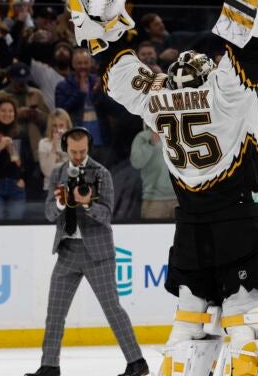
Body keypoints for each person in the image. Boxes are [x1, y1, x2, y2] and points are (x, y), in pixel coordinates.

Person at [70, 0, 258, 373]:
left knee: (188, 322)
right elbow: (244, 57)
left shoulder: (157, 98)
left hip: (189, 228)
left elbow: (117, 70)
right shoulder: (223, 95)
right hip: (235, 221)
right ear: (207, 75)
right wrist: (247, 1)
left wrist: (102, 27)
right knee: (243, 319)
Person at [25, 127, 148, 376]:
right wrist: (61, 201)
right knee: (55, 313)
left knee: (112, 309)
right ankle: (49, 365)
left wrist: (88, 202)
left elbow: (106, 215)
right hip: (68, 251)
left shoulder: (101, 174)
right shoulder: (58, 173)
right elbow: (49, 214)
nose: (79, 155)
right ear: (66, 148)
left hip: (97, 254)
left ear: (88, 147)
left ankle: (137, 362)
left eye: (83, 151)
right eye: (74, 151)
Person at [129, 124, 176, 219]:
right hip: (154, 200)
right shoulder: (143, 136)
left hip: (180, 198)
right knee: (151, 233)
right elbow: (136, 162)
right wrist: (150, 143)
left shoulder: (179, 135)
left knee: (183, 233)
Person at [39, 109, 72, 191]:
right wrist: (54, 146)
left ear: (67, 126)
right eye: (55, 126)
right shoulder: (44, 143)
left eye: (61, 125)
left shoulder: (74, 142)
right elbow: (47, 172)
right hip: (51, 189)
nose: (58, 129)